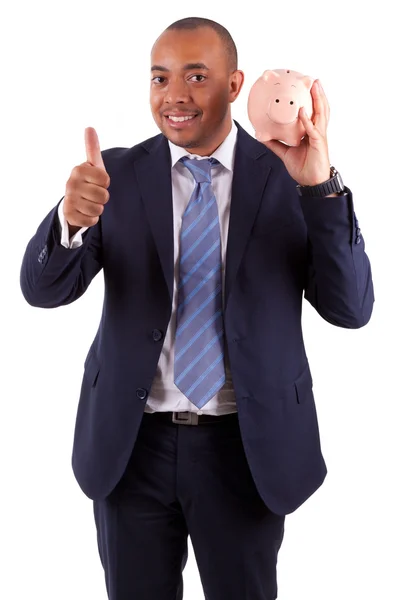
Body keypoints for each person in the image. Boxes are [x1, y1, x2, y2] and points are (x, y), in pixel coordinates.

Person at [20, 16, 374, 600]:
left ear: (234, 87)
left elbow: (351, 307)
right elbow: (44, 291)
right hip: (133, 447)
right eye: (160, 78)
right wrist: (69, 221)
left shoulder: (289, 178)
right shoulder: (114, 176)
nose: (174, 95)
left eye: (196, 76)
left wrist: (320, 187)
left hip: (246, 450)